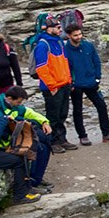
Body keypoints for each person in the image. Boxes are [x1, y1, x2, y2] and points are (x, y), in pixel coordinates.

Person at [63, 24, 109, 145]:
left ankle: (107, 133)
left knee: (101, 106)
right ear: (68, 36)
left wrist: (97, 78)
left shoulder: (88, 46)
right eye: (75, 35)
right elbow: (64, 67)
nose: (79, 37)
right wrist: (70, 84)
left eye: (80, 34)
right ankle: (82, 136)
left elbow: (96, 62)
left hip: (91, 83)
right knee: (77, 110)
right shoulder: (65, 50)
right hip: (76, 85)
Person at [32, 14, 75, 151]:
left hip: (64, 85)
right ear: (49, 29)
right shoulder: (42, 46)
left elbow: (65, 63)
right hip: (53, 87)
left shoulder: (59, 42)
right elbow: (41, 69)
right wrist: (52, 86)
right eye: (57, 27)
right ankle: (52, 141)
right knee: (53, 116)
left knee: (62, 114)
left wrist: (69, 81)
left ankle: (62, 139)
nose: (60, 29)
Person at [0, 86, 52, 193]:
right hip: (2, 143)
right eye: (18, 102)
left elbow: (29, 112)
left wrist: (44, 122)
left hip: (14, 137)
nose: (20, 104)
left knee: (44, 145)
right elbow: (1, 132)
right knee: (37, 147)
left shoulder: (13, 106)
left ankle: (36, 179)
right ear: (9, 98)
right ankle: (31, 182)